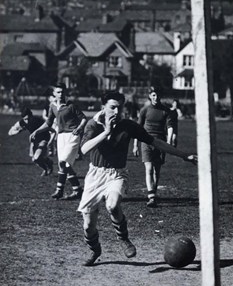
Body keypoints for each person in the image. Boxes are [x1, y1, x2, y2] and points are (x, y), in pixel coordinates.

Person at [78, 91, 197, 266]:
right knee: (88, 226)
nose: (117, 112)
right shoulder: (92, 125)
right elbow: (84, 149)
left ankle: (124, 239)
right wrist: (106, 132)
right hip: (95, 176)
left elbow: (155, 142)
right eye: (112, 108)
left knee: (112, 204)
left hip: (116, 174)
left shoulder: (128, 126)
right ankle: (95, 250)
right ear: (103, 107)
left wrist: (183, 155)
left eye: (120, 107)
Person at [30, 83, 87, 200]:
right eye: (58, 92)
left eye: (62, 92)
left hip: (73, 135)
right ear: (54, 94)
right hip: (60, 137)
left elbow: (84, 118)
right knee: (64, 165)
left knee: (64, 162)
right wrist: (37, 131)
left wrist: (80, 127)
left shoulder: (71, 105)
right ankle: (77, 190)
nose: (61, 94)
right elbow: (48, 123)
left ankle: (59, 190)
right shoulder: (52, 106)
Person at [132, 86, 175, 208]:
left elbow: (170, 127)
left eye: (158, 95)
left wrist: (168, 142)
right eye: (154, 95)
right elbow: (138, 129)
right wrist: (135, 145)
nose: (156, 97)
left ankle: (153, 193)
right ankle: (151, 197)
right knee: (149, 168)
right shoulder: (144, 110)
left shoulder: (166, 111)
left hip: (160, 143)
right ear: (150, 96)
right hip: (146, 142)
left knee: (157, 170)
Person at [8, 107, 55, 176]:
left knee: (36, 157)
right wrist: (18, 131)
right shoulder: (22, 122)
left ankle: (47, 166)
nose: (26, 121)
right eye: (25, 119)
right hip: (34, 141)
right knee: (35, 160)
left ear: (31, 116)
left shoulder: (38, 120)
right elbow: (10, 132)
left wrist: (51, 141)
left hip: (44, 139)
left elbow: (51, 129)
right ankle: (47, 165)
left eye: (28, 119)